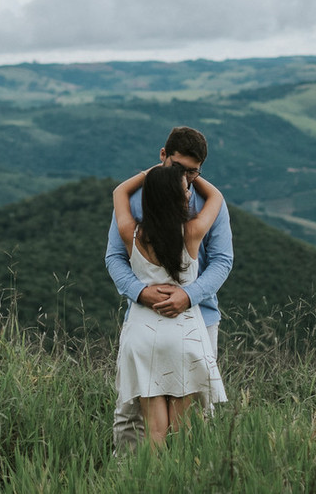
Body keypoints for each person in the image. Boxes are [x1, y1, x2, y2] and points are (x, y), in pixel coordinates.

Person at [104, 126, 234, 451]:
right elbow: (113, 259)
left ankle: (148, 479)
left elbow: (222, 261)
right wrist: (139, 292)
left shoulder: (131, 226)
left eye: (194, 173)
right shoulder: (197, 220)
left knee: (160, 425)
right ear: (163, 155)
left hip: (185, 319)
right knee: (142, 419)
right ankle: (164, 479)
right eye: (181, 170)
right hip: (180, 330)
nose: (188, 181)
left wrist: (189, 295)